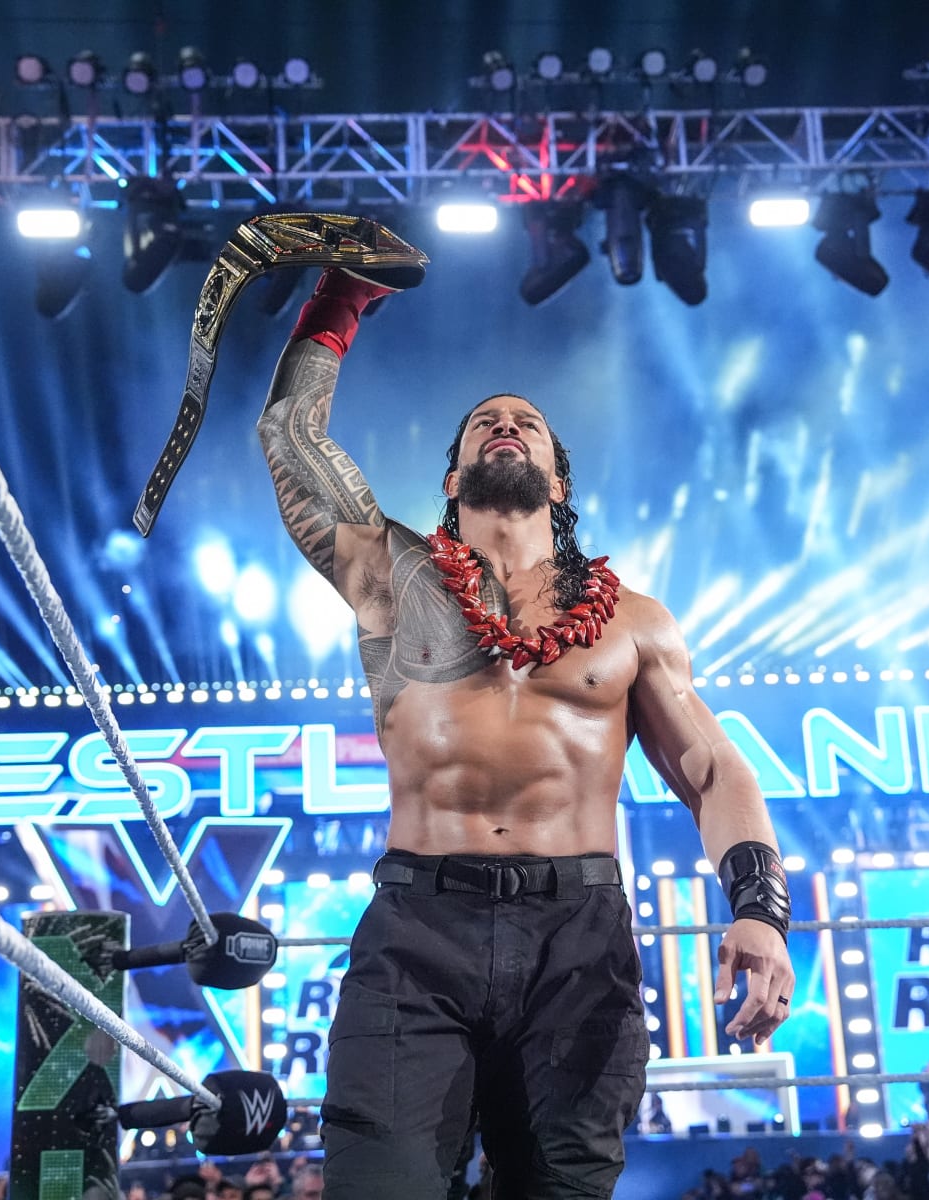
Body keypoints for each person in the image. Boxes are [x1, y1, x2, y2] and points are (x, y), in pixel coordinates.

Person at [256, 265, 796, 1198]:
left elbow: (712, 770)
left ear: (557, 475)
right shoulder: (392, 578)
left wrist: (759, 908)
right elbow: (290, 440)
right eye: (484, 422)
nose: (505, 424)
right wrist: (339, 303)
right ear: (455, 473)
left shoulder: (634, 621)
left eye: (527, 422)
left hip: (577, 938)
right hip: (420, 930)